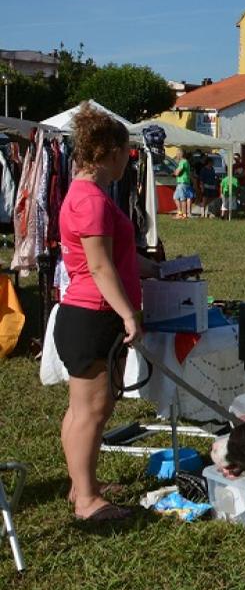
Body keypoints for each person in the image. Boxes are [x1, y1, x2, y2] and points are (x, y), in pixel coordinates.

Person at [57, 103, 160, 521]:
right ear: (111, 151)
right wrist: (130, 315)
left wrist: (154, 268)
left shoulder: (88, 195)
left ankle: (83, 486)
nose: (128, 159)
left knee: (87, 409)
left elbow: (113, 258)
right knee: (91, 410)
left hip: (90, 314)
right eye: (126, 151)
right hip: (92, 315)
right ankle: (86, 501)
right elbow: (98, 266)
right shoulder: (90, 199)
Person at [172, 151, 193, 219]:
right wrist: (175, 172)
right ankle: (180, 213)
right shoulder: (186, 162)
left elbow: (177, 172)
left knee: (182, 199)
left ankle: (183, 215)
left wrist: (174, 172)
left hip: (182, 182)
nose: (176, 156)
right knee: (175, 197)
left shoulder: (183, 162)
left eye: (177, 154)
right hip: (183, 182)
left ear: (180, 155)